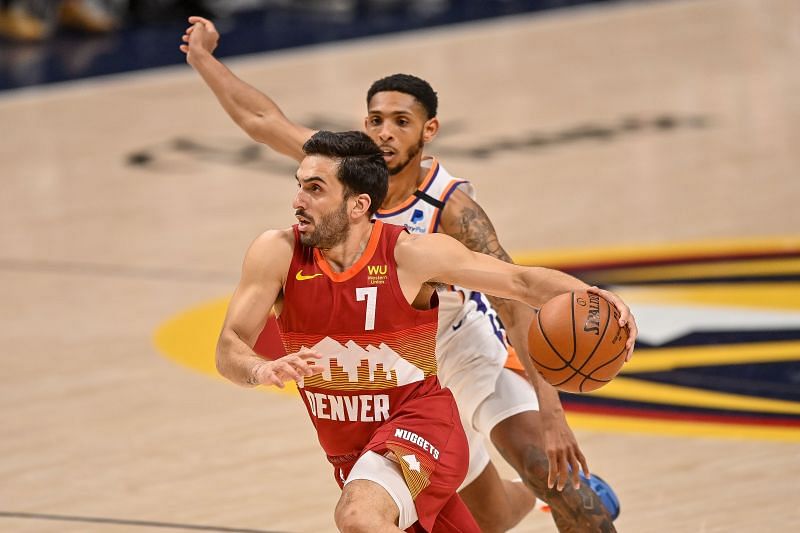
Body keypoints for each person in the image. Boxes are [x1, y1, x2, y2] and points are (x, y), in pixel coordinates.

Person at [183, 18, 638, 533]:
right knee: (488, 516)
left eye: (401, 121)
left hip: (462, 356)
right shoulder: (339, 169)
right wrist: (203, 59)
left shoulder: (452, 211)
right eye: (376, 120)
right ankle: (530, 503)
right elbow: (262, 118)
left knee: (547, 471)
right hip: (394, 371)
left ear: (428, 130)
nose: (384, 133)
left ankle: (560, 494)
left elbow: (516, 293)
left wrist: (551, 410)